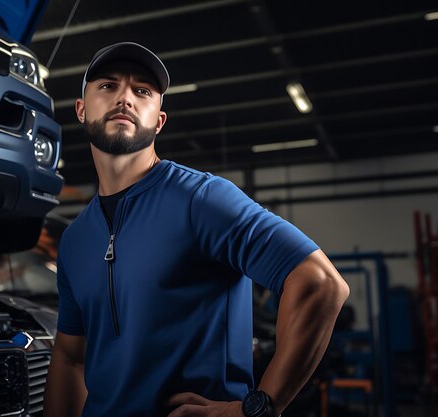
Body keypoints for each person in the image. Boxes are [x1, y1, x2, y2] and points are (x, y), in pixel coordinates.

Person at [43, 42, 349, 417]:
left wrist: (257, 409)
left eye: (142, 91)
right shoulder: (75, 240)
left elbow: (320, 282)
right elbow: (71, 358)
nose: (125, 98)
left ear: (159, 120)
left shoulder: (201, 199)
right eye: (108, 86)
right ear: (81, 109)